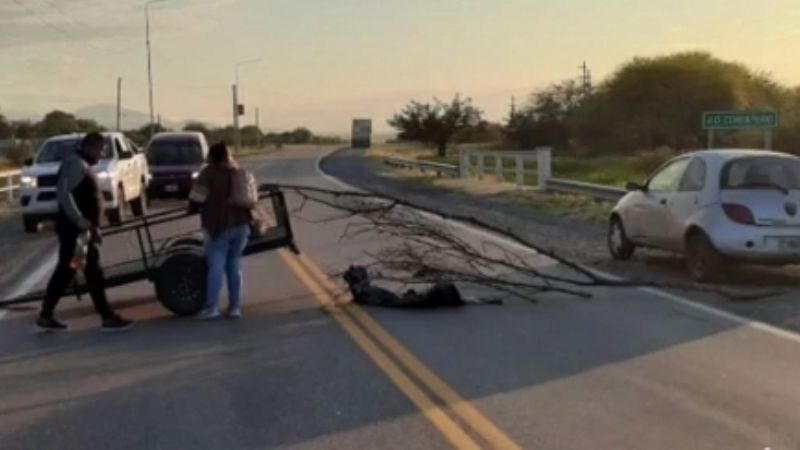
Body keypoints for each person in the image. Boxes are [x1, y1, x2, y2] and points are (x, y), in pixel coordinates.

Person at [37, 132, 133, 332]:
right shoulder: (76, 164)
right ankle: (106, 316)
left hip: (83, 232)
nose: (102, 154)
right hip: (76, 232)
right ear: (90, 146)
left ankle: (47, 315)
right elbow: (64, 194)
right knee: (80, 271)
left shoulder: (83, 164)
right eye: (101, 149)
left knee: (82, 271)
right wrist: (80, 220)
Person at [189, 142, 251, 319]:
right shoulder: (237, 171)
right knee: (234, 265)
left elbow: (196, 198)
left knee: (216, 265)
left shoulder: (208, 173)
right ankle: (235, 307)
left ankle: (212, 307)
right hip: (241, 224)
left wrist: (193, 208)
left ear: (211, 156)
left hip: (218, 225)